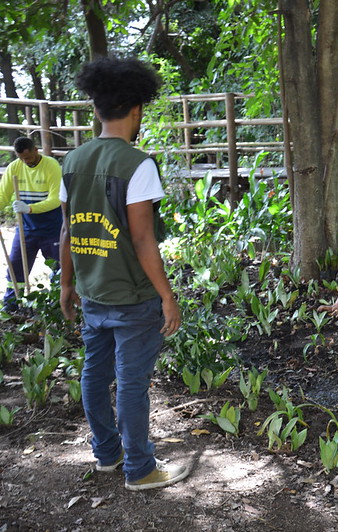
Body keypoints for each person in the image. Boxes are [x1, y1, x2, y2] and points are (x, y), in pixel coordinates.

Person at [59, 57, 188, 491]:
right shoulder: (137, 164)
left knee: (94, 377)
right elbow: (142, 240)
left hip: (93, 292)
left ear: (96, 109)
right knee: (132, 384)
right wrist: (167, 296)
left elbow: (67, 228)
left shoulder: (72, 160)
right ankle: (140, 469)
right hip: (133, 298)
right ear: (136, 109)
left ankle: (107, 454)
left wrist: (66, 283)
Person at [0, 137, 63, 311]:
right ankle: (12, 304)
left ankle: (56, 304)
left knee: (59, 267)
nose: (25, 162)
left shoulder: (51, 166)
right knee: (15, 266)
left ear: (36, 150)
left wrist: (29, 208)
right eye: (21, 158)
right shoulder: (15, 167)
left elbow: (55, 199)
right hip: (26, 228)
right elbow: (2, 195)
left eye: (28, 157)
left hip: (52, 227)